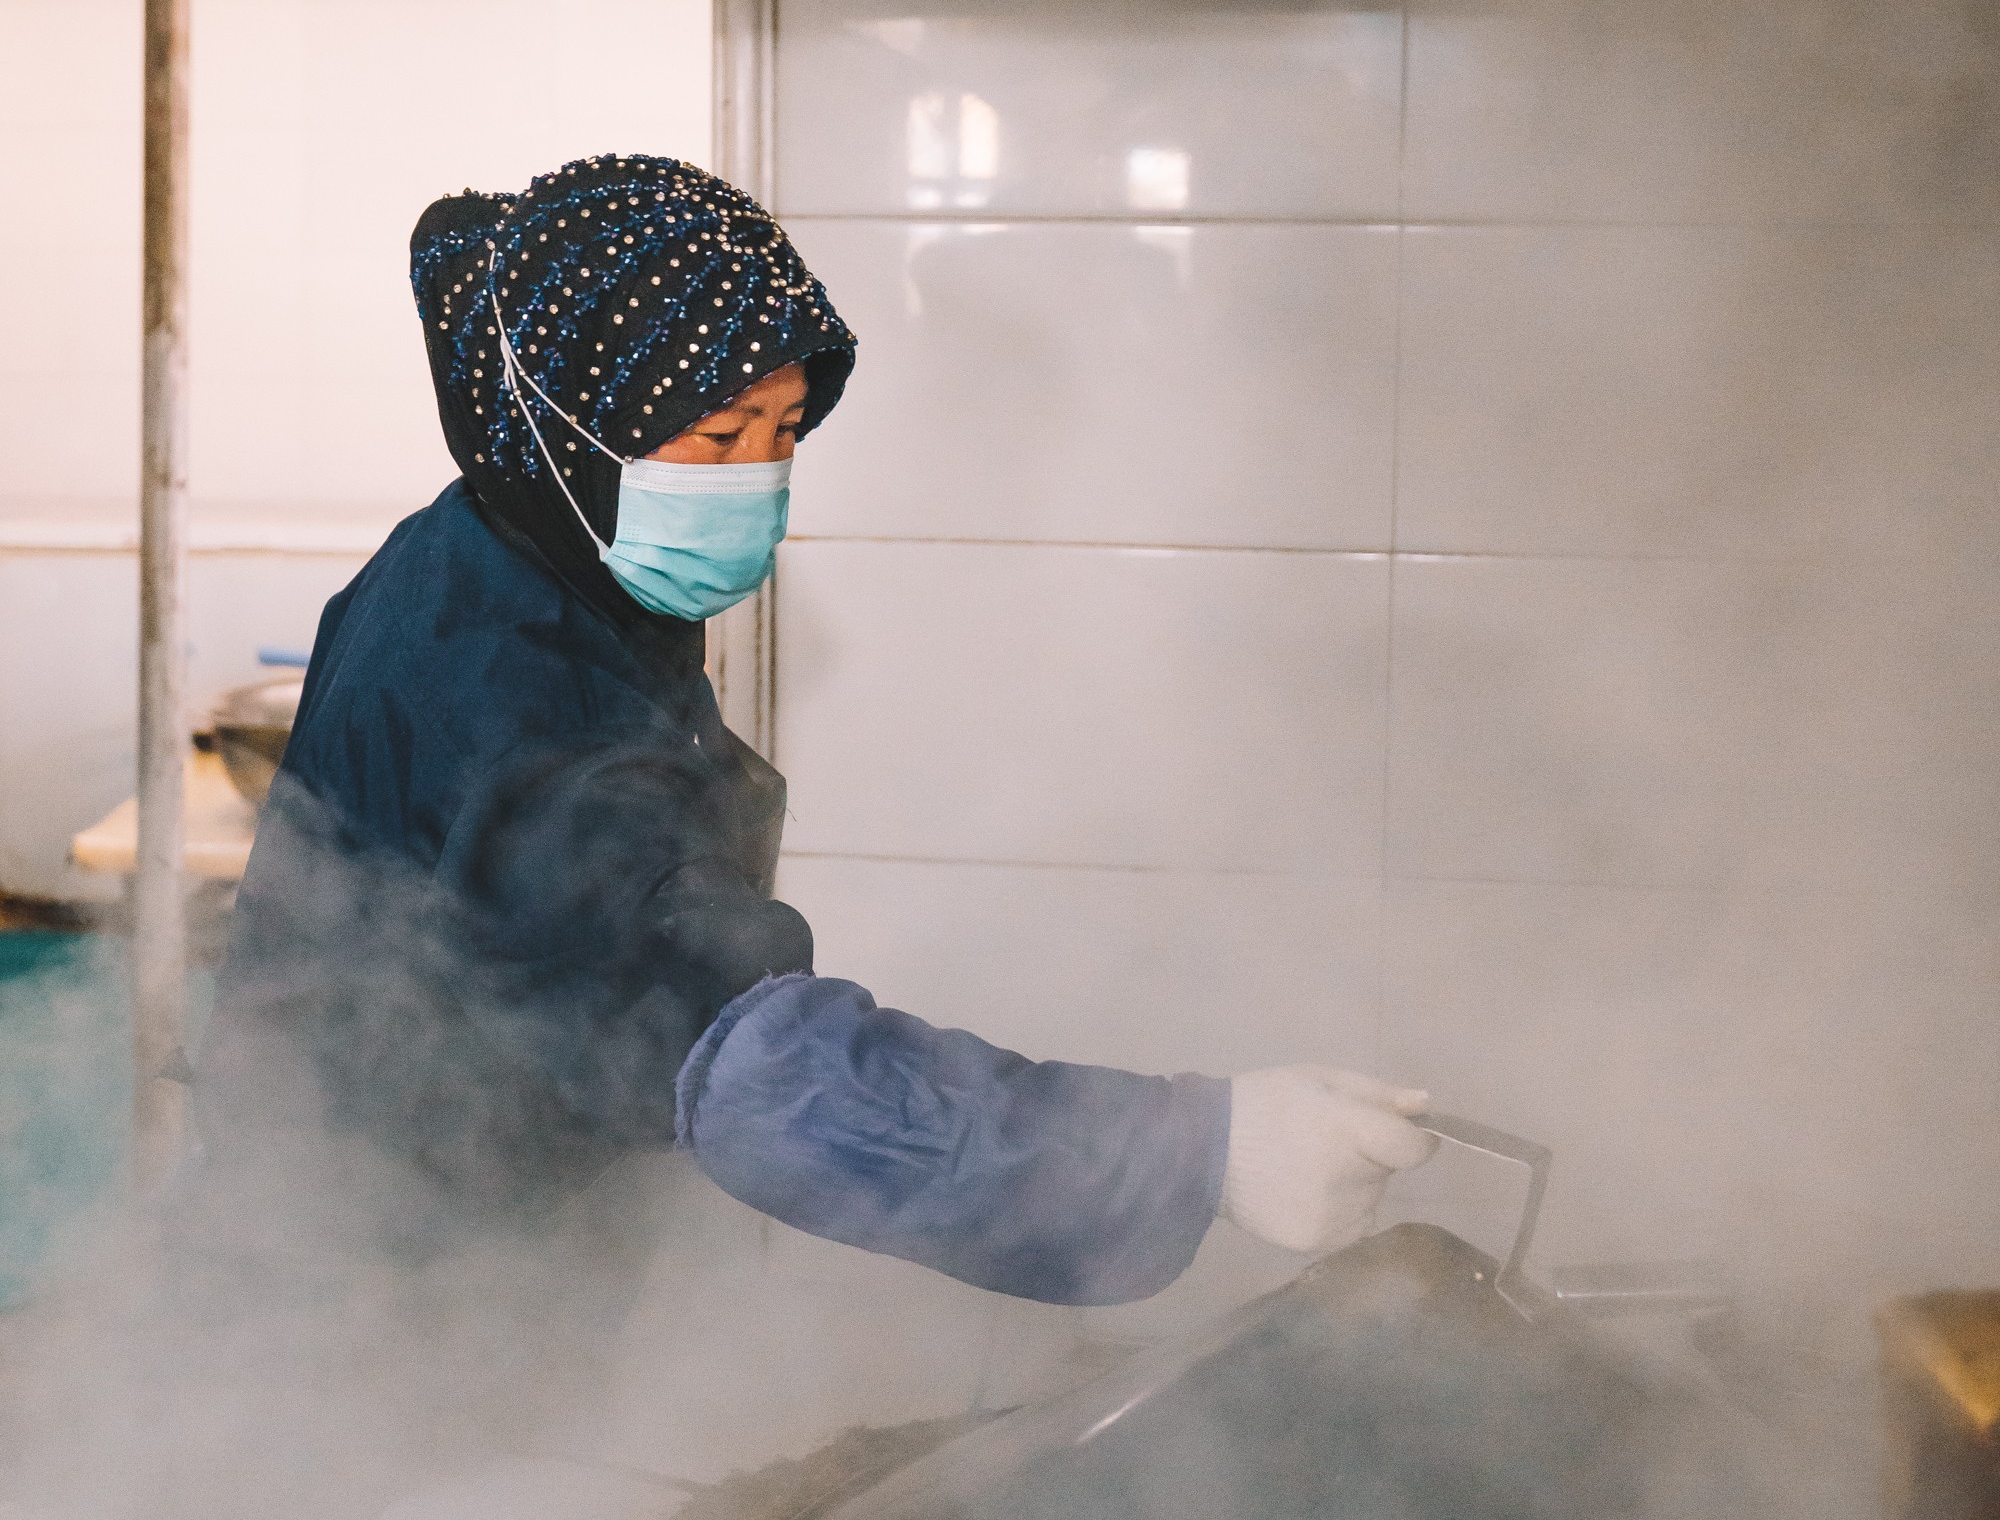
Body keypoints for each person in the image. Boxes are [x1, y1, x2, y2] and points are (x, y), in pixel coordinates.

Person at [201, 153, 1433, 1303]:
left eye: (783, 431)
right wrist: (1195, 1150)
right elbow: (750, 1070)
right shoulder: (510, 696)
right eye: (716, 434)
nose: (756, 477)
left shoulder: (517, 547)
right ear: (563, 423)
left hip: (452, 1215)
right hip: (386, 1281)